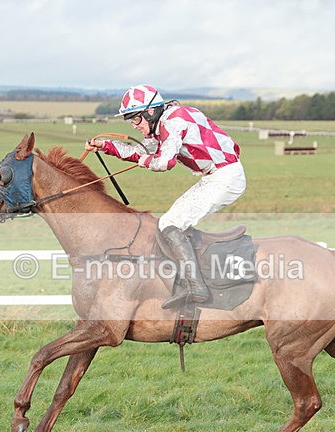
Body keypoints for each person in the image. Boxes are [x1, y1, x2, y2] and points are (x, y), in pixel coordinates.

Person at [85, 84, 246, 308]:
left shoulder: (173, 121)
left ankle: (196, 286)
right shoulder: (164, 120)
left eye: (136, 119)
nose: (134, 125)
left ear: (150, 111)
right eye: (131, 120)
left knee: (170, 223)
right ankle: (192, 278)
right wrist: (106, 146)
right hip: (215, 176)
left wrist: (143, 161)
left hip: (225, 177)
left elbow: (164, 162)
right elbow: (145, 151)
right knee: (168, 223)